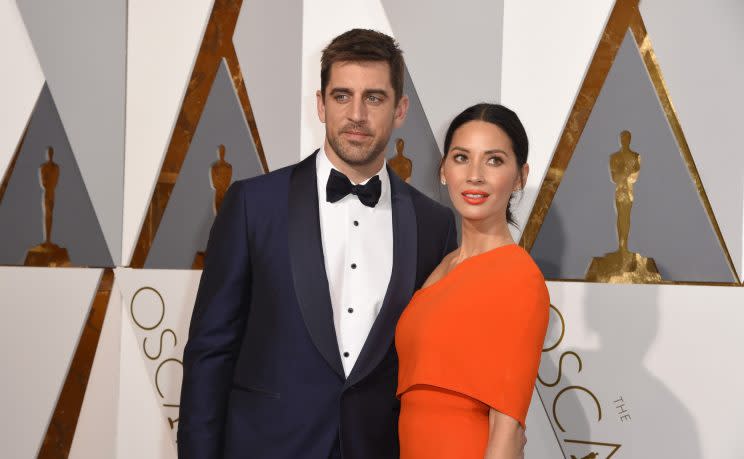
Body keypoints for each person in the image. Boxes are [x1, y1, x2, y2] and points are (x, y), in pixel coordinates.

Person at [177, 29, 458, 459]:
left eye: (375, 98)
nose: (357, 114)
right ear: (320, 104)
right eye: (342, 96)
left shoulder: (434, 224)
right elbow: (210, 352)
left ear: (400, 109)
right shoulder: (253, 204)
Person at [395, 103, 550, 459]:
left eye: (494, 160)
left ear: (520, 176)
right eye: (462, 157)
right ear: (444, 170)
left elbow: (506, 433)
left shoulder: (518, 277)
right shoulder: (441, 267)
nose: (475, 175)